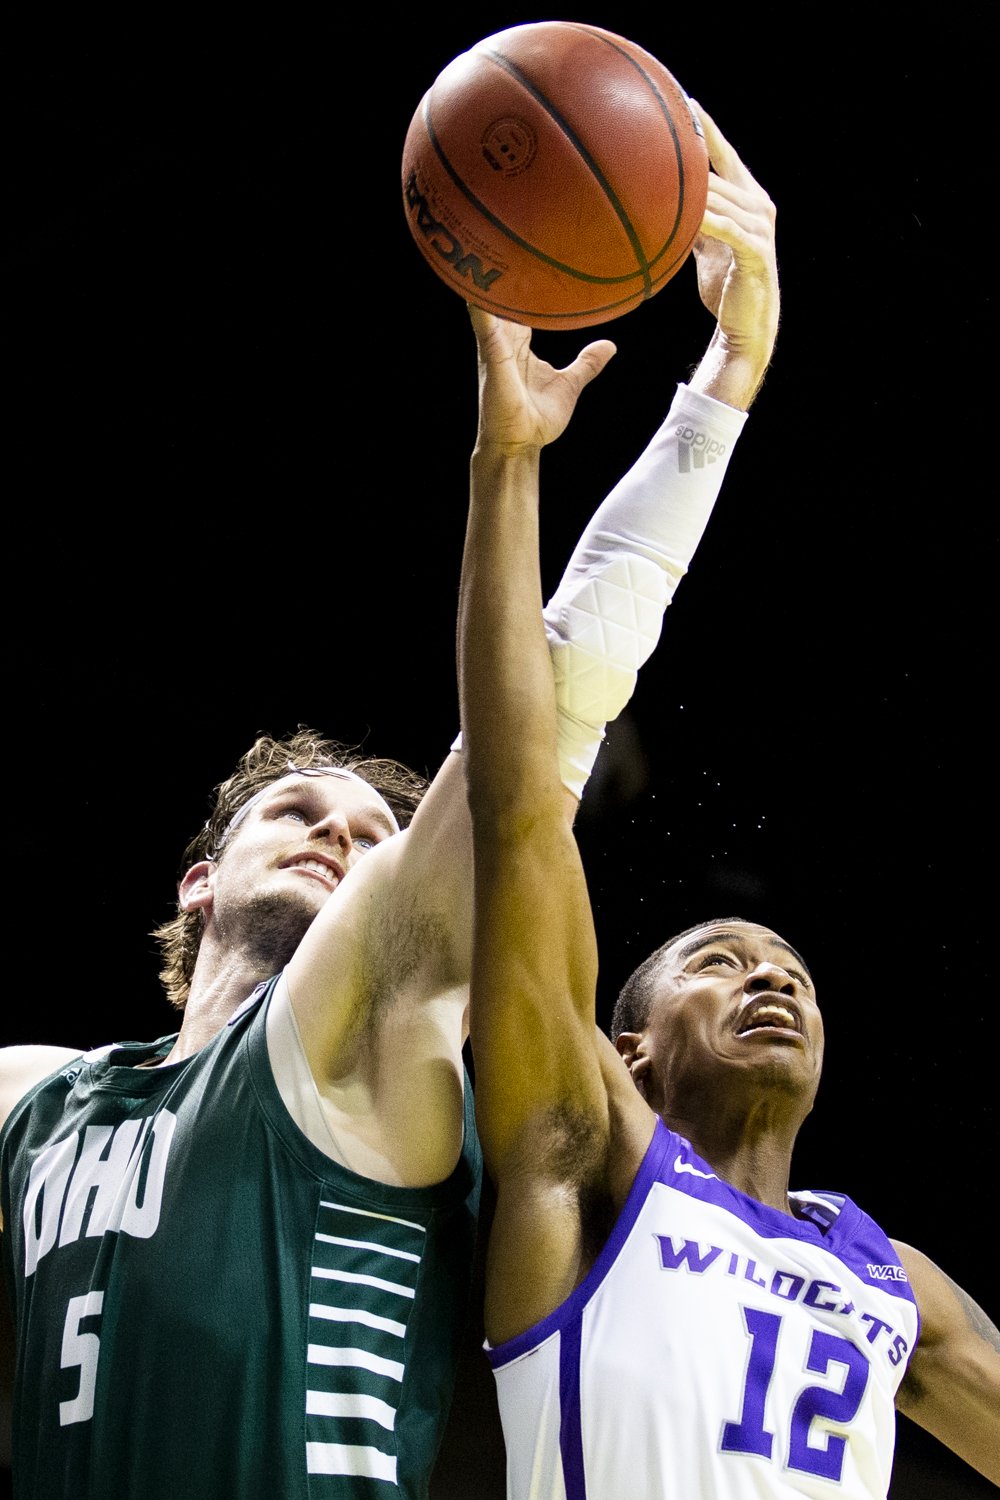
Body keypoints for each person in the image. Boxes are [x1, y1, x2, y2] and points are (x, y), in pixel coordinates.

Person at [0, 91, 777, 1499]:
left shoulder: (354, 1032)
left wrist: (715, 393)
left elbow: (544, 710)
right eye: (297, 813)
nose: (347, 839)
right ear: (199, 880)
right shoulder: (39, 1102)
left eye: (375, 836)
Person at [458, 109, 1000, 1498]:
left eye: (788, 969)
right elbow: (519, 804)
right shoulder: (585, 1146)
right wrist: (512, 462)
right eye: (719, 961)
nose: (773, 978)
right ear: (626, 1048)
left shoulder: (898, 1284)